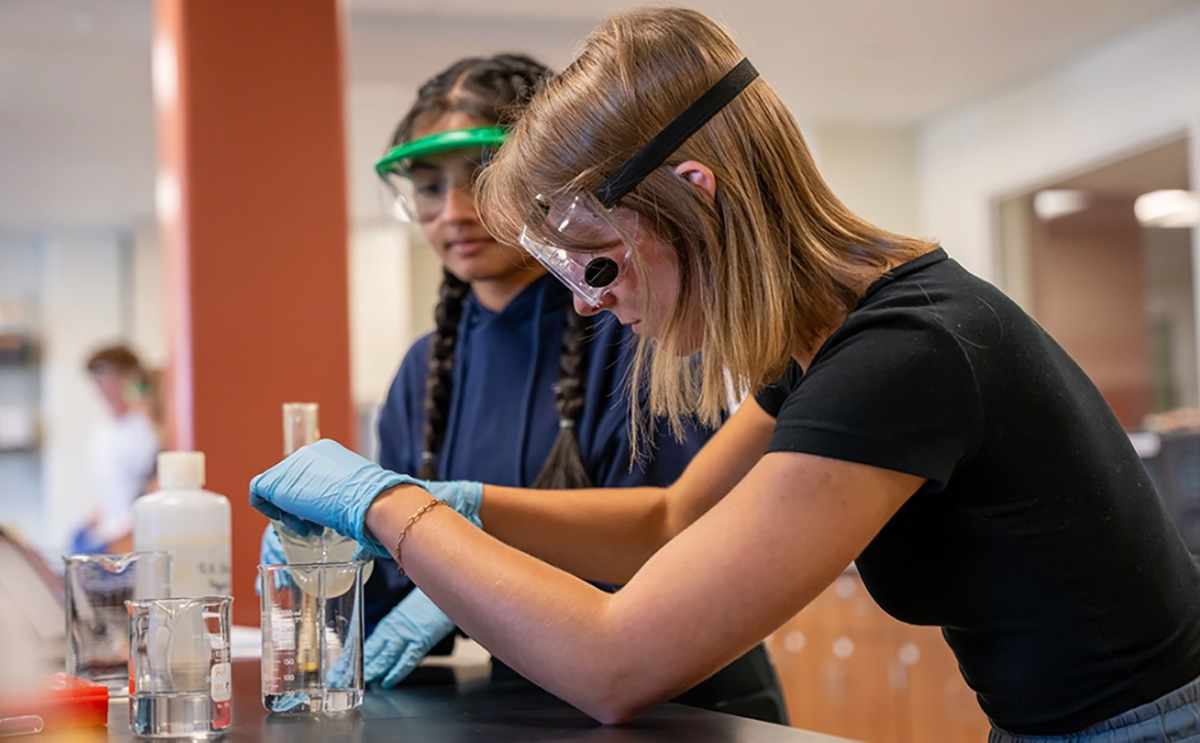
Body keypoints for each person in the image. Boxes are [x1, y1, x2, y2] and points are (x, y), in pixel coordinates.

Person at [251, 7, 1200, 740]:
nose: (586, 302)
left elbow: (616, 666)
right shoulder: (833, 342)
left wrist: (390, 509)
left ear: (694, 196)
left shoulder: (905, 354)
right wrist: (456, 501)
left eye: (599, 262)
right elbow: (667, 521)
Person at [257, 52, 787, 723]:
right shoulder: (423, 373)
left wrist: (454, 551)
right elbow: (392, 584)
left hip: (686, 702)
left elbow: (675, 540)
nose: (452, 211)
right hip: (533, 705)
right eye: (426, 187)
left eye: (479, 174)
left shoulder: (643, 325)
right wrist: (333, 559)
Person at [73, 344, 161, 554]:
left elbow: (154, 487)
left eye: (114, 377)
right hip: (108, 535)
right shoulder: (100, 432)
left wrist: (128, 537)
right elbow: (112, 492)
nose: (106, 387)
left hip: (135, 540)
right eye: (100, 379)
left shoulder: (148, 428)